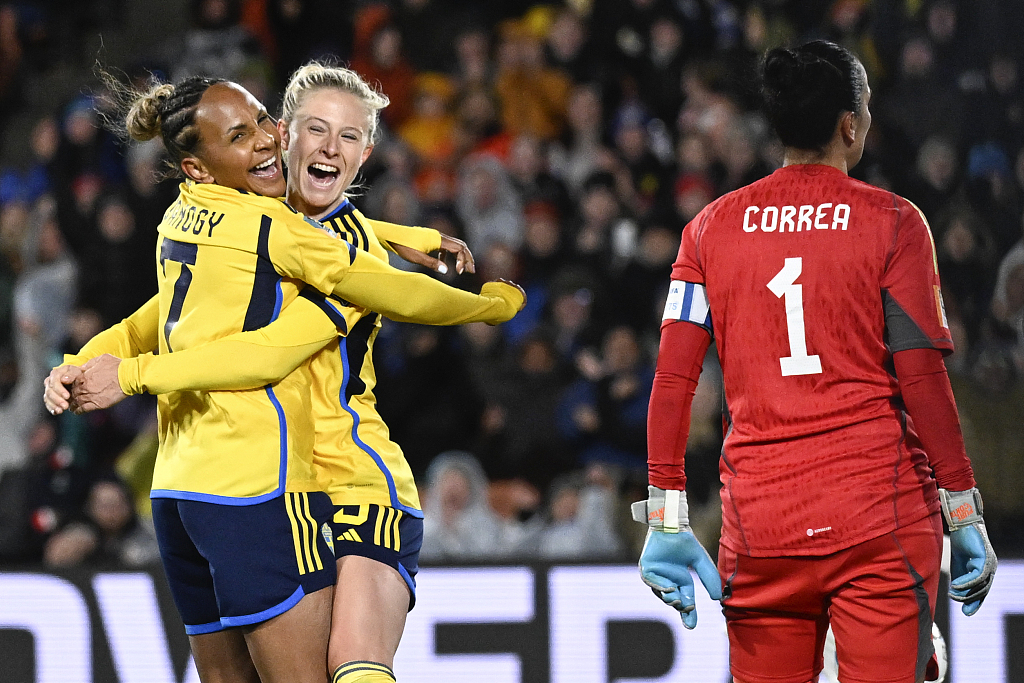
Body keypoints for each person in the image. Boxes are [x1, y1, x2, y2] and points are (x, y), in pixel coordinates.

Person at [44, 64, 520, 683]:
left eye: (349, 138)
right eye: (313, 129)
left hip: (348, 477)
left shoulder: (246, 226)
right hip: (266, 476)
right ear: (289, 134)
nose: (328, 147)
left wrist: (463, 285)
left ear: (366, 154)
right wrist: (91, 364)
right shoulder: (257, 219)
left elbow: (325, 290)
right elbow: (186, 320)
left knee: (354, 667)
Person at [629, 41, 997, 683]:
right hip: (878, 518)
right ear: (850, 123)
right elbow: (922, 379)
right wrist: (962, 508)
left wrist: (665, 514)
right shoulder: (894, 223)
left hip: (761, 526)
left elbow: (673, 381)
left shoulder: (708, 230)